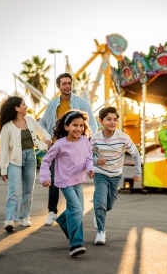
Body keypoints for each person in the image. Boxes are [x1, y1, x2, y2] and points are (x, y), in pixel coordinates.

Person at [39, 72, 97, 226]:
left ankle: (69, 215)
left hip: (75, 146)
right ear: (58, 86)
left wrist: (87, 140)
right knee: (54, 179)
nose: (67, 86)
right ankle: (52, 211)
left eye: (69, 83)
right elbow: (42, 123)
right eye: (64, 84)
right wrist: (46, 137)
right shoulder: (52, 104)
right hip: (57, 145)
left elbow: (92, 123)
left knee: (75, 180)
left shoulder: (81, 102)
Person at [39, 109, 94, 257]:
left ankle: (63, 221)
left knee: (78, 209)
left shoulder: (84, 141)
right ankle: (76, 243)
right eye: (75, 125)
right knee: (76, 210)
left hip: (77, 181)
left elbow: (89, 158)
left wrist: (90, 169)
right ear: (66, 127)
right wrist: (44, 178)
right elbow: (46, 161)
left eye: (81, 125)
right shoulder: (59, 144)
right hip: (64, 182)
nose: (79, 129)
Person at [89, 106, 142, 245]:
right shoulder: (95, 138)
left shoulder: (122, 137)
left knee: (109, 205)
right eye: (108, 119)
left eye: (115, 120)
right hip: (100, 173)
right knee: (100, 203)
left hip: (116, 175)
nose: (112, 122)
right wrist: (95, 161)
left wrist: (138, 173)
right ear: (101, 121)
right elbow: (86, 156)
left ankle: (98, 211)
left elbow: (135, 154)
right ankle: (101, 231)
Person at [0, 96, 51, 232]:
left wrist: (47, 140)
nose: (26, 107)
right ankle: (9, 219)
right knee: (13, 191)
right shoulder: (7, 127)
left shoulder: (31, 121)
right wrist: (3, 169)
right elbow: (3, 150)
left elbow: (41, 131)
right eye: (24, 105)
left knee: (28, 190)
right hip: (14, 160)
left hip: (30, 158)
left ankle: (24, 217)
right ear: (16, 108)